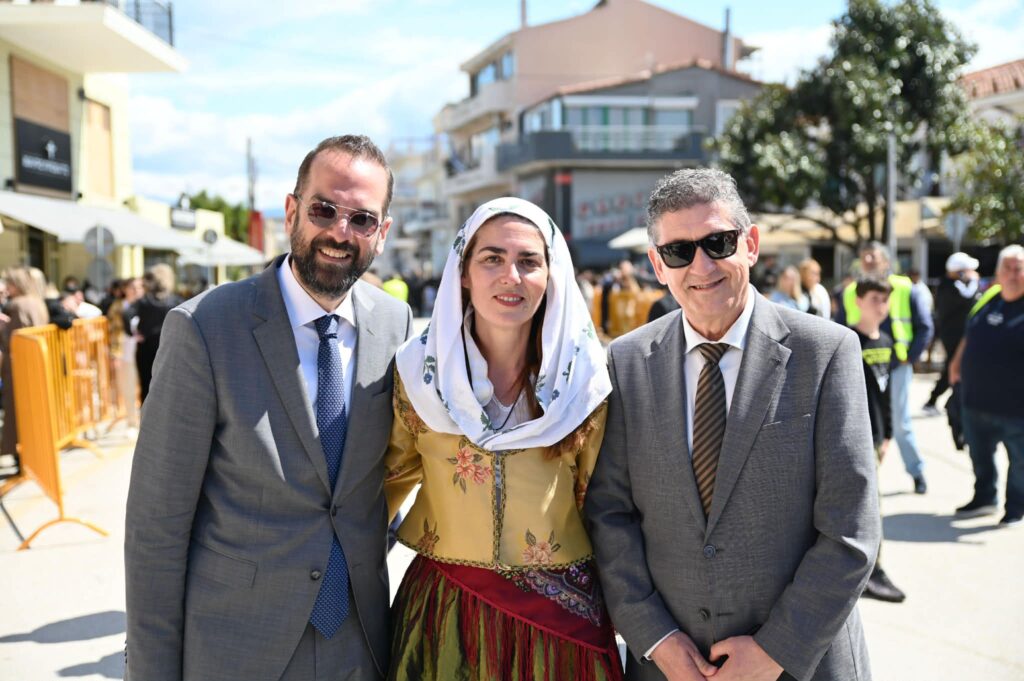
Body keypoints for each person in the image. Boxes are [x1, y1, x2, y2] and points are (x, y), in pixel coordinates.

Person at [125, 134, 413, 681]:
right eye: (324, 209)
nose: (340, 232)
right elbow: (155, 529)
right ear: (291, 211)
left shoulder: (393, 324)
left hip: (361, 646)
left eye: (362, 219)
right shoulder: (204, 328)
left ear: (383, 233)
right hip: (238, 650)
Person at [585, 168, 879, 681]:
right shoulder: (626, 362)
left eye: (718, 243)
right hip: (670, 667)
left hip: (802, 665)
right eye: (679, 251)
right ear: (657, 265)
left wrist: (774, 652)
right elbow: (610, 514)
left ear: (751, 244)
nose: (701, 265)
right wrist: (655, 638)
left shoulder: (827, 352)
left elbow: (851, 532)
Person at [384, 197, 621, 680]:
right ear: (463, 272)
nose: (511, 276)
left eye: (529, 261)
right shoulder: (417, 375)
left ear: (551, 275)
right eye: (492, 258)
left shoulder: (585, 382)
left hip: (561, 626)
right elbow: (379, 491)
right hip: (446, 618)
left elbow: (606, 505)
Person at [836, 241, 933, 494]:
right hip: (860, 364)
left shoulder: (904, 287)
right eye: (864, 256)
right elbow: (838, 327)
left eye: (874, 256)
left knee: (899, 423)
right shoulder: (851, 291)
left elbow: (925, 326)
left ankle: (916, 471)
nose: (868, 260)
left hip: (895, 365)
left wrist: (909, 358)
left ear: (887, 262)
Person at [949, 244, 1024, 527]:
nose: (1013, 274)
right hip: (976, 401)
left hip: (1017, 409)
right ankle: (985, 498)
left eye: (1019, 268)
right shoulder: (989, 299)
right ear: (998, 272)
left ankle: (1015, 508)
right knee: (980, 456)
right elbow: (970, 334)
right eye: (1007, 268)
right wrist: (956, 363)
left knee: (1020, 463)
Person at [850, 276, 907, 603]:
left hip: (876, 436)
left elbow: (885, 393)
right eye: (874, 299)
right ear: (858, 300)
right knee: (868, 506)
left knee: (869, 503)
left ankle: (871, 569)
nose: (881, 306)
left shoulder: (885, 340)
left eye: (885, 300)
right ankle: (872, 571)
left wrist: (887, 434)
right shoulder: (847, 340)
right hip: (856, 436)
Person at [0, 267, 49, 472]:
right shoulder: (37, 301)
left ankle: (22, 459)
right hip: (33, 367)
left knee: (18, 414)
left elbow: (14, 337)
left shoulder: (17, 304)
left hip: (18, 368)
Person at [924, 252, 980, 416]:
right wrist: (974, 281)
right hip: (953, 335)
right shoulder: (950, 286)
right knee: (953, 366)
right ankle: (933, 400)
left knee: (957, 367)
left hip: (957, 334)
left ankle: (940, 400)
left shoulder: (952, 285)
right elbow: (968, 297)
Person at [131, 264, 182, 404]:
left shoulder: (144, 301)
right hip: (169, 349)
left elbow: (126, 314)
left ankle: (146, 416)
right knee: (169, 387)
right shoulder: (176, 301)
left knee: (146, 386)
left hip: (146, 349)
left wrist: (134, 333)